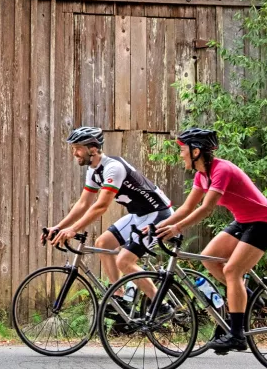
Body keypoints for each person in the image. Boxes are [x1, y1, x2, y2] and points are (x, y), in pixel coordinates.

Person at [154, 127, 267, 353]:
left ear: (196, 152)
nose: (181, 154)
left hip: (265, 222)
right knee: (209, 258)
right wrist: (159, 227)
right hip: (244, 221)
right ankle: (248, 297)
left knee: (232, 271)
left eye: (183, 150)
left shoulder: (221, 170)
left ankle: (236, 336)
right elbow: (187, 207)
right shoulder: (201, 175)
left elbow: (206, 209)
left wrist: (177, 228)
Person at [45, 126, 174, 305]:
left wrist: (74, 230)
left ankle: (161, 305)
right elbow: (83, 204)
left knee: (125, 262)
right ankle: (120, 298)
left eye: (78, 148)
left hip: (158, 214)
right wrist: (59, 227)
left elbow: (101, 206)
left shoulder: (114, 168)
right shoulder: (93, 170)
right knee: (104, 244)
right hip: (138, 215)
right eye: (73, 148)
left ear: (93, 148)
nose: (75, 153)